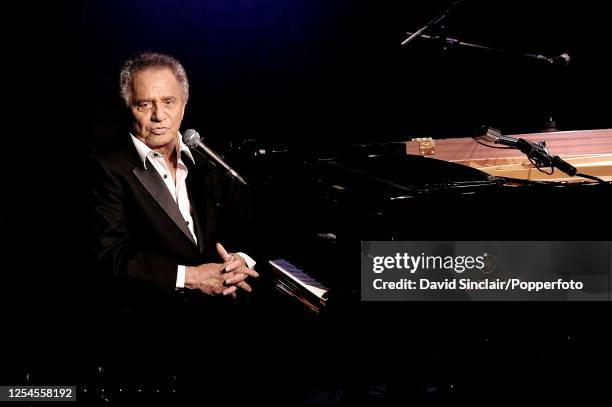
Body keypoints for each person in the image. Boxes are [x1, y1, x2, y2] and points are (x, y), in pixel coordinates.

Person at [90, 52, 260, 369]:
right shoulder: (104, 167)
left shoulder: (206, 160)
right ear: (129, 107)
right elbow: (108, 256)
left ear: (184, 104)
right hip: (146, 339)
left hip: (221, 332)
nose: (159, 116)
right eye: (144, 104)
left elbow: (244, 225)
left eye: (169, 102)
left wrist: (239, 261)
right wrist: (191, 277)